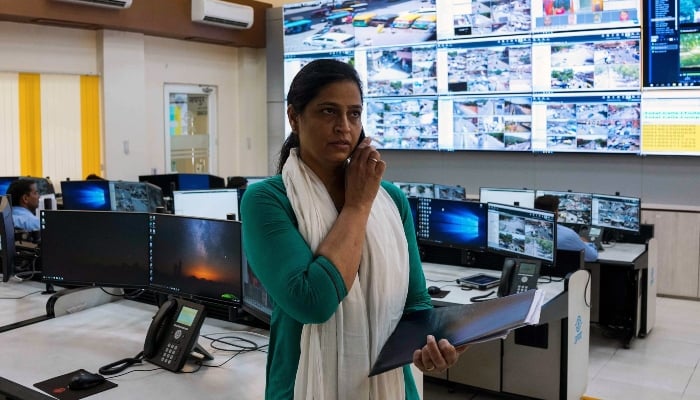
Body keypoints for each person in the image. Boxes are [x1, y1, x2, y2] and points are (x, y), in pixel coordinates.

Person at [240, 59, 466, 400]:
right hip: (302, 384)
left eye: (354, 114)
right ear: (294, 117)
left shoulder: (390, 199)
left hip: (389, 385)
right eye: (328, 112)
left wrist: (434, 346)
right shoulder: (267, 200)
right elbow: (313, 302)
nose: (344, 127)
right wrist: (358, 205)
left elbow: (416, 304)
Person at [534, 195, 598, 262]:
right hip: (564, 272)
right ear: (555, 213)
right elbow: (592, 257)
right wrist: (585, 243)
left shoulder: (528, 230)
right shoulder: (568, 235)